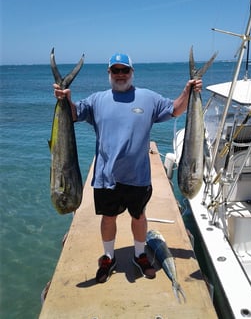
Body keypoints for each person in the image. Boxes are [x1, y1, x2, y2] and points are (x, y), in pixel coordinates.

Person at [53, 53, 202, 284]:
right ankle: (109, 257)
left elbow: (175, 110)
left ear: (132, 72)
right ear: (109, 73)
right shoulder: (97, 100)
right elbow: (73, 115)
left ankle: (140, 254)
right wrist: (65, 99)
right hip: (106, 176)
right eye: (116, 70)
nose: (120, 74)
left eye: (125, 70)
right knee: (108, 217)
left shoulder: (148, 98)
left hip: (138, 176)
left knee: (139, 216)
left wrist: (189, 91)